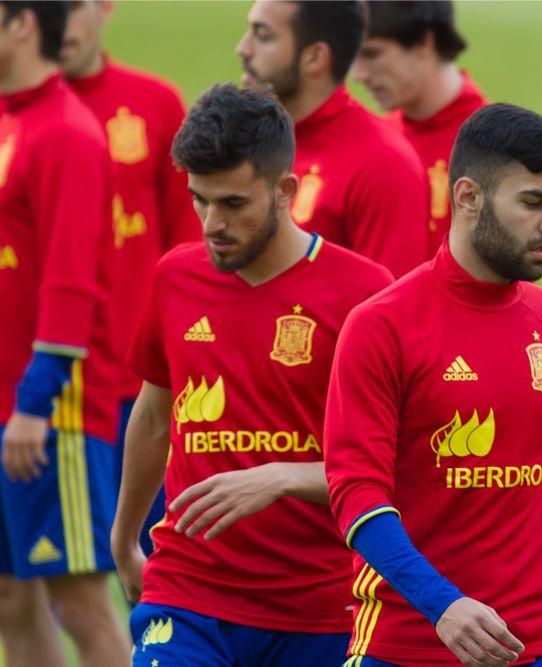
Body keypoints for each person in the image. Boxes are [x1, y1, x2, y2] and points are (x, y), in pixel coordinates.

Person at [110, 83, 393, 666]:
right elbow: (154, 415)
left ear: (285, 190)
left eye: (233, 204)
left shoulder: (365, 296)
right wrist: (124, 536)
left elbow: (391, 464)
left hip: (319, 606)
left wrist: (280, 477)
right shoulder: (174, 279)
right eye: (200, 200)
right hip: (188, 592)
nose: (212, 222)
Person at [325, 103, 542, 667]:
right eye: (533, 202)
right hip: (410, 645)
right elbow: (356, 494)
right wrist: (444, 605)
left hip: (540, 644)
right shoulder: (381, 324)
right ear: (467, 197)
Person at [0, 2, 129, 666]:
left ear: (22, 24)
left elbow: (71, 282)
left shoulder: (66, 133)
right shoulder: (10, 119)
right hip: (7, 404)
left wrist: (34, 401)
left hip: (53, 412)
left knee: (77, 599)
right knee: (10, 600)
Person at [61, 0, 200, 557]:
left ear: (104, 8)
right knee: (50, 584)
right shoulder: (20, 116)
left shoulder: (155, 103)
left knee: (161, 560)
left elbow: (190, 246)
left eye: (71, 7)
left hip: (143, 385)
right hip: (51, 385)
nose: (61, 24)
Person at [236, 0, 428, 278]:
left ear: (315, 57)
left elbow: (392, 310)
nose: (243, 48)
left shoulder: (383, 165)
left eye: (263, 35)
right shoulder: (242, 143)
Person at [354, 0, 487, 255]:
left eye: (371, 54)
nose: (359, 74)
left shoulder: (493, 147)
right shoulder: (377, 140)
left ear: (425, 42)